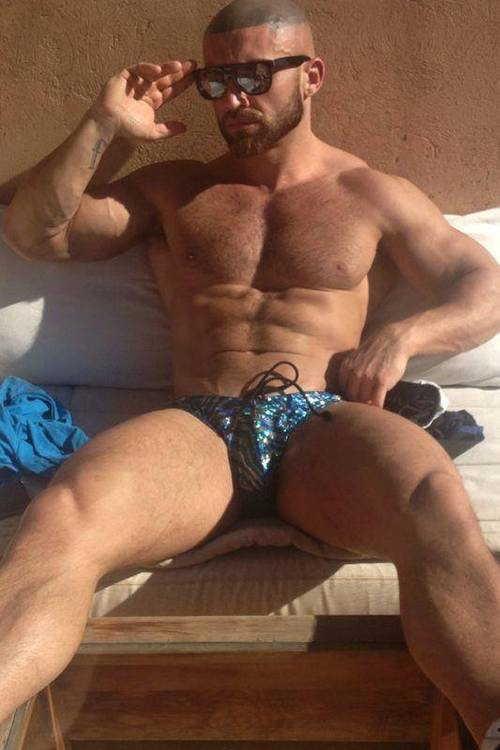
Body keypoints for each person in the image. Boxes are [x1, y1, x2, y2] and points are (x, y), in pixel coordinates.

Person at [1, 0, 499, 743]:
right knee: (64, 513)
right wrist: (105, 126)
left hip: (322, 423)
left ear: (312, 75)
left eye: (256, 76)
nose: (232, 98)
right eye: (217, 80)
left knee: (433, 499)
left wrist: (403, 337)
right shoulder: (175, 188)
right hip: (198, 428)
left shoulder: (371, 193)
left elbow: (482, 285)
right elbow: (36, 232)